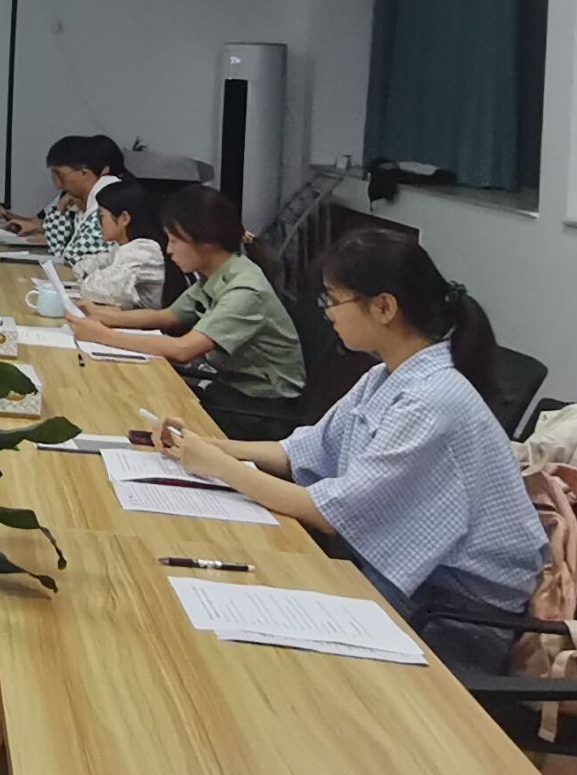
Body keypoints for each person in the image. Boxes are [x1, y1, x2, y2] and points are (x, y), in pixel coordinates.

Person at [146, 228, 544, 666]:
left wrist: (220, 466)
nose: (328, 313)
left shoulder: (433, 400)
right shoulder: (386, 375)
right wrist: (211, 446)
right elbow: (301, 452)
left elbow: (330, 515)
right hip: (406, 581)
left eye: (334, 300)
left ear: (384, 307)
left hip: (452, 619)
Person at [69, 182, 305, 436]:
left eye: (173, 240)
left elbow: (183, 350)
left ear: (204, 242)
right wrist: (103, 317)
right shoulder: (216, 273)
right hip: (230, 392)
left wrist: (102, 335)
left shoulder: (245, 289)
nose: (168, 250)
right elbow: (167, 317)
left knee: (132, 413)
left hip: (259, 410)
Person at [0, 134, 128, 266]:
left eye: (60, 175)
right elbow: (59, 250)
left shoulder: (109, 199)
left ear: (84, 173)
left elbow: (73, 257)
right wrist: (60, 210)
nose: (59, 185)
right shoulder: (78, 200)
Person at [71, 178, 167, 311]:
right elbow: (83, 266)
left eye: (101, 216)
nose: (97, 223)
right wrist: (92, 275)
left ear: (124, 218)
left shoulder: (144, 250)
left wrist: (91, 277)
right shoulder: (123, 247)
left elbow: (96, 290)